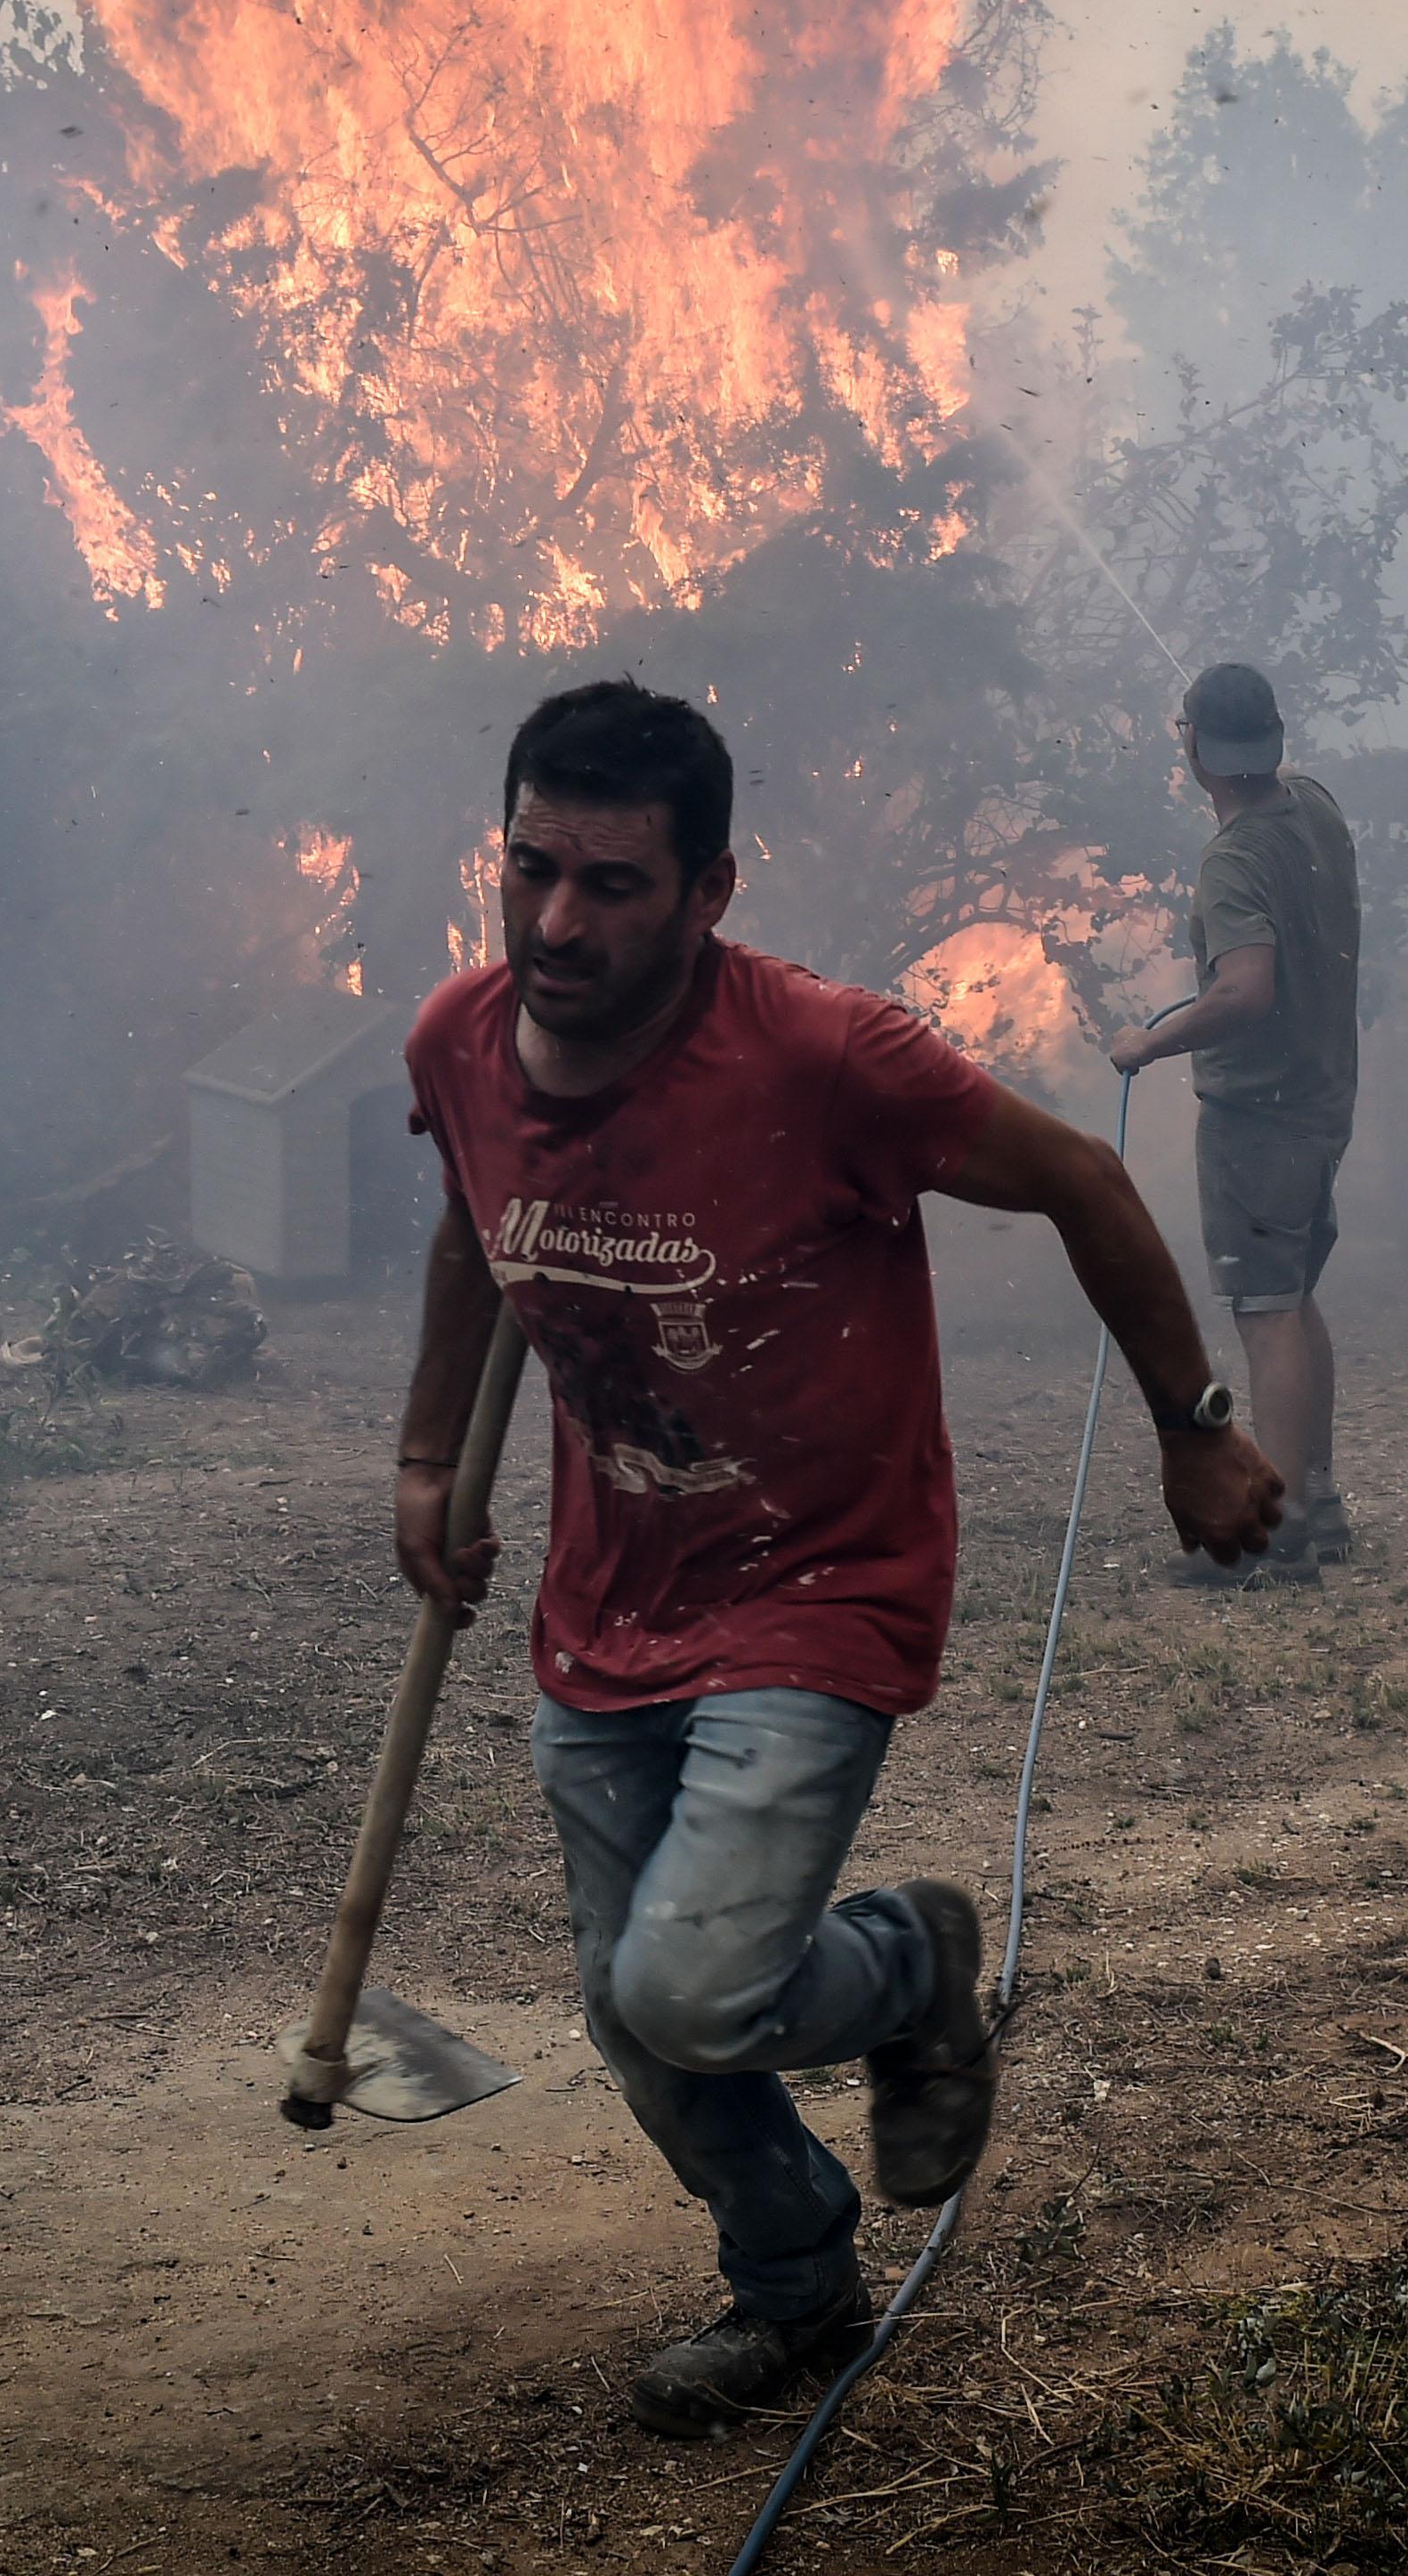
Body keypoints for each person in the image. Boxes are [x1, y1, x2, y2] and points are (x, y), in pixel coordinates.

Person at [392, 676, 1284, 2441]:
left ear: (711, 891)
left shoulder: (824, 1055)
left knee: (692, 1983)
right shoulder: (462, 1039)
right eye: (531, 868)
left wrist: (1192, 1421)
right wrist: (431, 1451)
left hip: (821, 1582)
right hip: (607, 1597)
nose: (557, 920)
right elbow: (466, 1227)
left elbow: (1085, 1186)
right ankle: (792, 2278)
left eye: (613, 883)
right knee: (638, 2020)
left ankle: (904, 1965)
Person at [1106, 661, 1360, 1584]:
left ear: (1193, 750)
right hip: (1324, 1095)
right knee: (1290, 1295)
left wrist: (1151, 1040)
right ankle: (1316, 1505)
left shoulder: (1232, 860)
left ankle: (1277, 1532)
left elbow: (1245, 988)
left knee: (1265, 1311)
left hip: (1262, 1111)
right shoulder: (1313, 805)